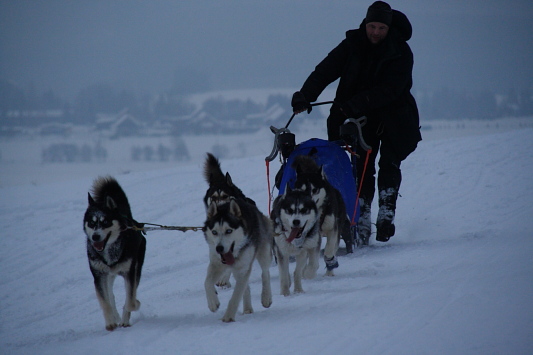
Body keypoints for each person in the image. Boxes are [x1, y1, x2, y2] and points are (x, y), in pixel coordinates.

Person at [291, 1, 421, 244]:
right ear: (365, 23)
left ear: (389, 28)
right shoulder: (353, 44)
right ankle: (362, 214)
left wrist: (355, 103)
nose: (375, 32)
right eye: (372, 26)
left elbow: (391, 89)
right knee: (361, 167)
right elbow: (325, 71)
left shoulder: (402, 51)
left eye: (381, 28)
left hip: (395, 116)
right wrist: (305, 96)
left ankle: (386, 211)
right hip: (360, 119)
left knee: (390, 163)